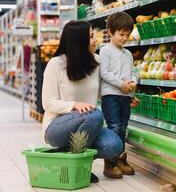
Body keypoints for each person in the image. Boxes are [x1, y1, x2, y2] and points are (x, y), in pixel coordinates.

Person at [42, 21, 123, 183]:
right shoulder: (56, 64)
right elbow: (48, 103)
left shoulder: (97, 61)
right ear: (79, 41)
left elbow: (102, 92)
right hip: (57, 127)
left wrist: (124, 96)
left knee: (114, 145)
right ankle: (80, 167)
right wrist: (73, 105)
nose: (96, 40)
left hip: (89, 125)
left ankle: (71, 156)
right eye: (91, 36)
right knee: (94, 115)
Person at [100, 11, 138, 179]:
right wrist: (121, 84)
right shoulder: (105, 51)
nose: (124, 38)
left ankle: (120, 158)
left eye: (127, 35)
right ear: (110, 32)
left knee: (123, 127)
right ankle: (110, 161)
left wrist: (133, 83)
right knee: (114, 126)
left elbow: (133, 72)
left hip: (124, 96)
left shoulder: (128, 54)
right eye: (121, 34)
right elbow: (104, 73)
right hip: (110, 95)